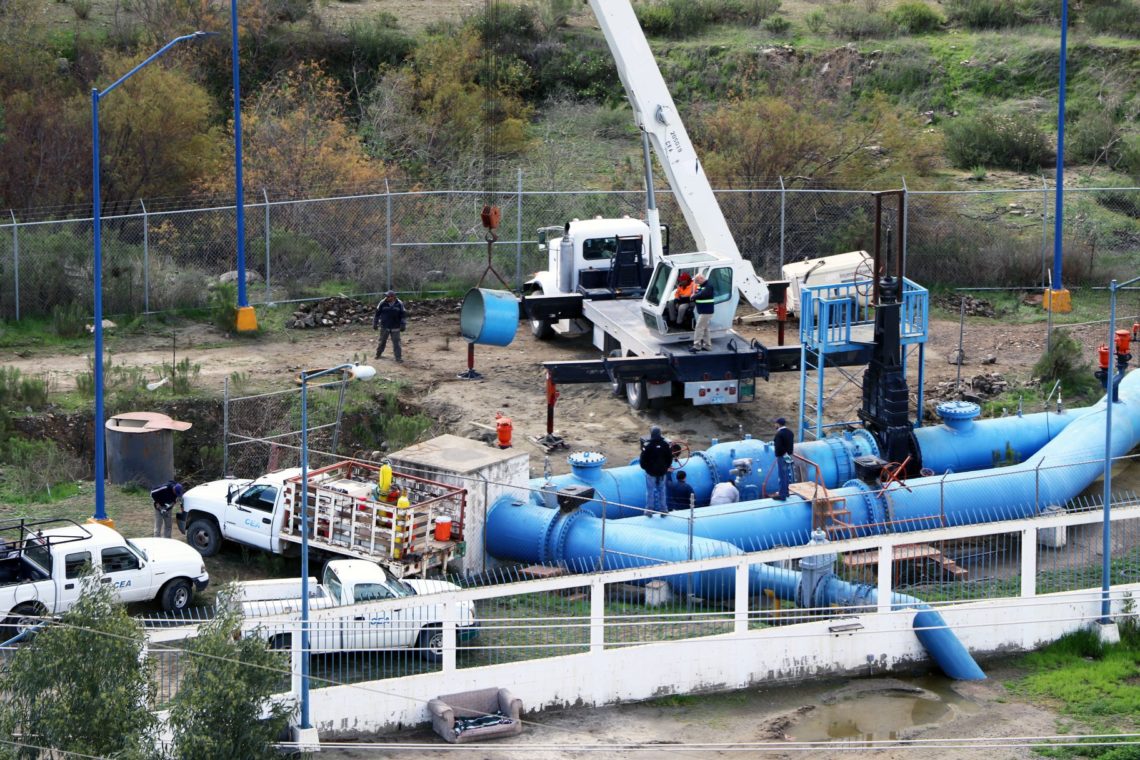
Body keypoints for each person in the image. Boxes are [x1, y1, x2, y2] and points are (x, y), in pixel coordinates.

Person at [639, 426, 673, 517]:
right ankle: (664, 510)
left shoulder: (647, 445)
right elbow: (669, 458)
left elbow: (643, 460)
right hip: (662, 473)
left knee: (650, 491)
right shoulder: (665, 444)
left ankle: (649, 511)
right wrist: (665, 468)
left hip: (651, 473)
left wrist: (646, 468)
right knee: (662, 491)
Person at [373, 290, 408, 363]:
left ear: (393, 297)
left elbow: (403, 315)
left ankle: (398, 358)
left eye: (388, 296)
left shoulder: (399, 303)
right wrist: (375, 323)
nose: (386, 297)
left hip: (395, 327)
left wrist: (403, 324)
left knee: (396, 343)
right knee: (382, 341)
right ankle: (378, 354)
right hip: (384, 326)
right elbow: (377, 314)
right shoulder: (382, 303)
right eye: (386, 296)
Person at [690, 274, 714, 352]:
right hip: (703, 311)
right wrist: (694, 297)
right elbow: (698, 294)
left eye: (697, 281)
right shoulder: (701, 286)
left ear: (701, 278)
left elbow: (702, 294)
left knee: (699, 327)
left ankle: (697, 346)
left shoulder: (708, 286)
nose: (696, 283)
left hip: (706, 311)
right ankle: (707, 346)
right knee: (705, 329)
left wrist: (694, 296)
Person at [773, 418, 795, 500]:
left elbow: (778, 447)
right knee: (786, 475)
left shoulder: (779, 434)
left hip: (782, 457)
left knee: (782, 475)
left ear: (778, 424)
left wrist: (778, 454)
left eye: (775, 424)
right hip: (788, 456)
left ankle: (782, 495)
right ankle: (786, 492)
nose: (775, 425)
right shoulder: (790, 432)